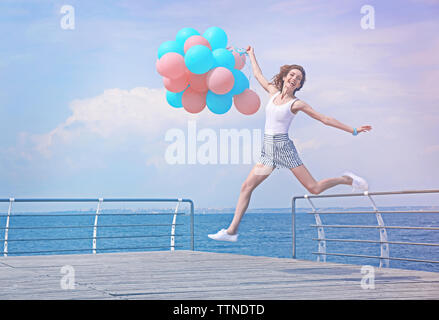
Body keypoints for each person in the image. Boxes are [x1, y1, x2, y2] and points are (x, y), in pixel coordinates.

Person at [208, 46, 372, 242]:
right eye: (292, 75)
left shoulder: (296, 104)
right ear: (285, 77)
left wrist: (353, 130)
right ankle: (231, 232)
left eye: (298, 79)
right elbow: (258, 75)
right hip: (268, 151)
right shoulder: (273, 93)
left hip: (284, 149)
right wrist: (251, 55)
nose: (294, 79)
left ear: (298, 85)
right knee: (246, 186)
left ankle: (346, 179)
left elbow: (324, 119)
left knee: (314, 188)